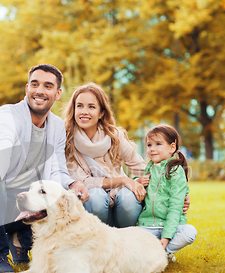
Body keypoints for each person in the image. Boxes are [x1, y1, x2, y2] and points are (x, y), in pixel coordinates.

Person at [0, 64, 90, 273]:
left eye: (47, 86)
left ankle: (20, 238)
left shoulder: (55, 127)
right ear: (27, 88)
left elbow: (57, 170)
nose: (40, 91)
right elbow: (2, 148)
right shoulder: (7, 115)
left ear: (57, 93)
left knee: (52, 193)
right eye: (35, 84)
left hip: (19, 205)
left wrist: (73, 183)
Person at [63, 83, 147, 228]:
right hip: (92, 210)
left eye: (91, 107)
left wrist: (173, 193)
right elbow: (83, 182)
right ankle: (97, 242)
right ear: (74, 109)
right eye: (80, 106)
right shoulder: (66, 139)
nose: (84, 111)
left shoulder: (114, 136)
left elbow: (141, 168)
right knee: (96, 196)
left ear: (102, 112)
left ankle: (127, 241)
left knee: (128, 198)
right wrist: (123, 180)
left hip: (120, 205)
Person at [137, 124, 197, 262]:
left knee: (190, 232)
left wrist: (166, 236)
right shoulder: (149, 168)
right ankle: (159, 253)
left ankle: (163, 251)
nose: (152, 149)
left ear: (172, 148)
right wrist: (138, 182)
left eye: (158, 144)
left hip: (170, 226)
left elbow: (176, 206)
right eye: (149, 145)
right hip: (147, 225)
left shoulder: (176, 171)